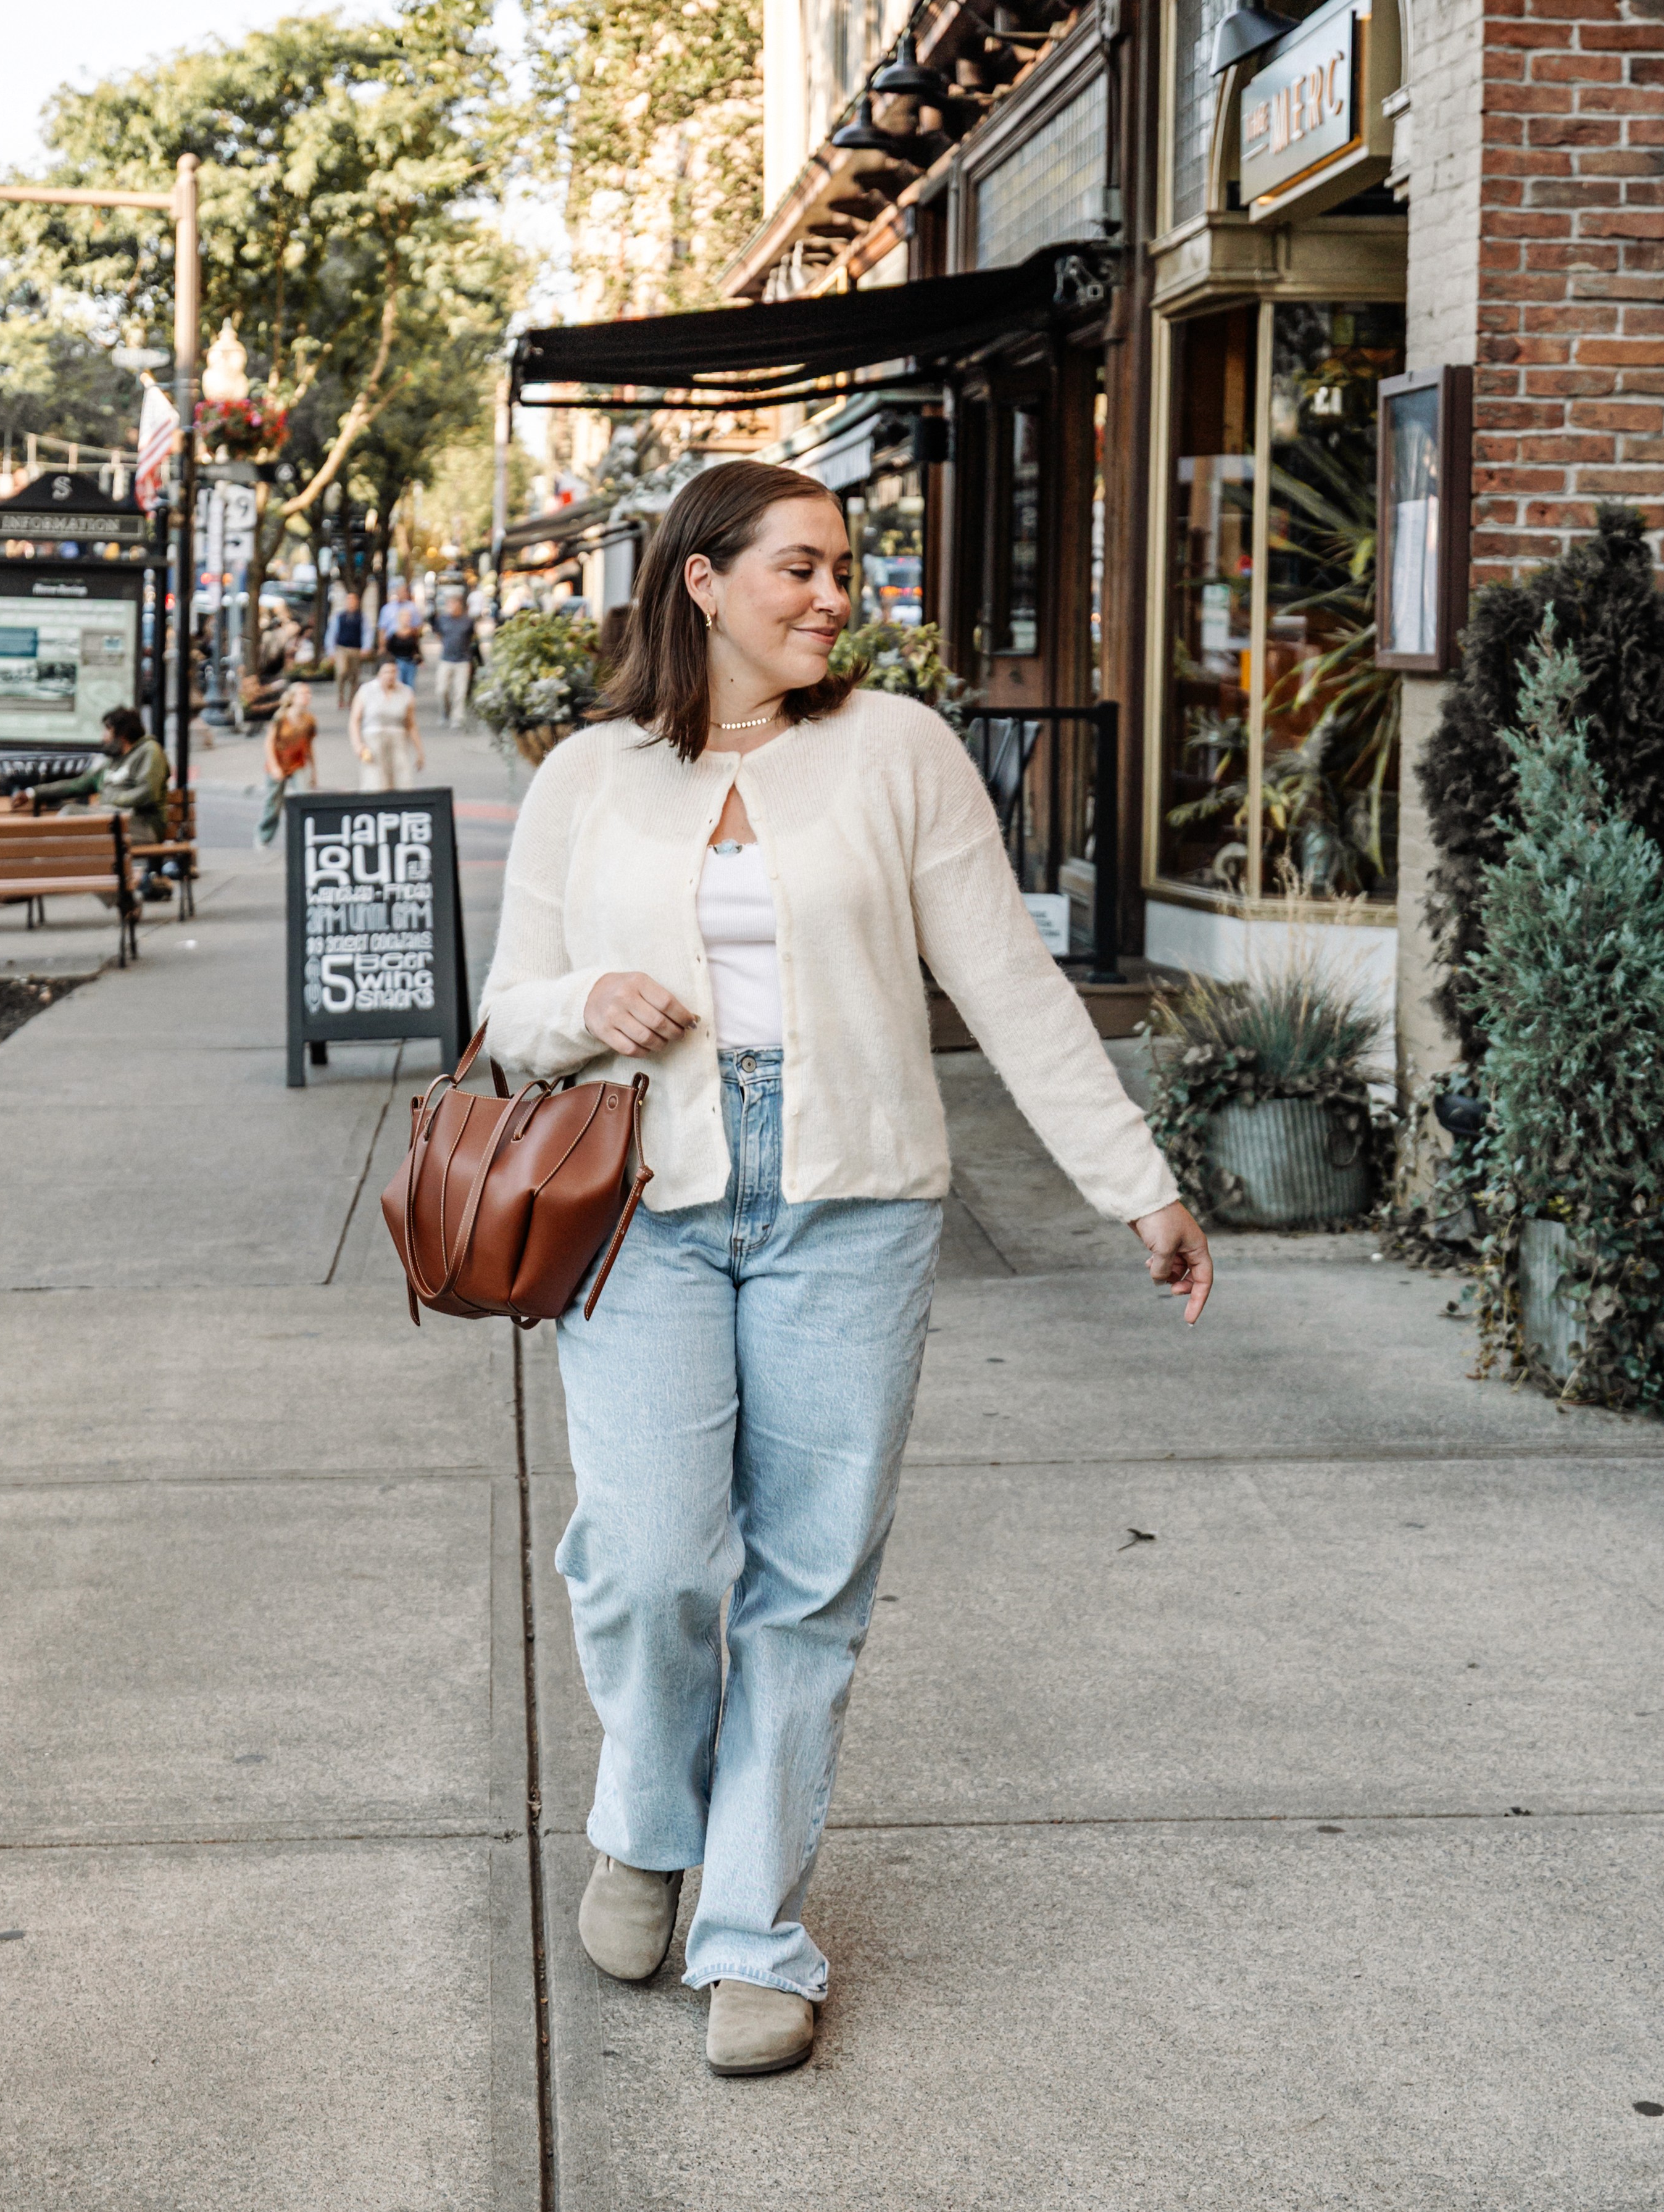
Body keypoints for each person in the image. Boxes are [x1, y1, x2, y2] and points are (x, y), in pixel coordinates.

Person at [480, 461, 1213, 2079]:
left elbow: (1010, 984)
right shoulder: (589, 774)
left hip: (854, 1207)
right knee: (656, 1559)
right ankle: (645, 1821)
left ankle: (751, 1929)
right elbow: (504, 1012)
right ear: (700, 583)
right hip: (642, 1205)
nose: (833, 595)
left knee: (808, 1584)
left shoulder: (899, 753)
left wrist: (1133, 1185)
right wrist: (586, 999)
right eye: (799, 567)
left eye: (844, 567)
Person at [14, 705, 174, 902]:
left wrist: (111, 804)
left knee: (69, 818)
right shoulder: (112, 762)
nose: (103, 737)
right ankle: (126, 898)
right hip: (111, 823)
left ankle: (31, 877)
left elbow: (147, 793)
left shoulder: (150, 751)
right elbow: (78, 785)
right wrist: (33, 793)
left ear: (121, 734)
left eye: (107, 731)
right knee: (77, 844)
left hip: (142, 825)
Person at [255, 681, 319, 846]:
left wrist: (313, 772)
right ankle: (263, 837)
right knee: (273, 803)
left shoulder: (309, 720)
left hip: (297, 763)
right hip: (278, 762)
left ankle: (306, 837)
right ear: (293, 697)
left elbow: (309, 747)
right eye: (303, 694)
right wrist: (275, 767)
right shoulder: (281, 717)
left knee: (304, 798)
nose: (307, 697)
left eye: (309, 694)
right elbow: (269, 743)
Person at [351, 657, 425, 790]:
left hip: (398, 740)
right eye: (386, 672)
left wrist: (419, 751)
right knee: (376, 782)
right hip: (373, 742)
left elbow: (411, 724)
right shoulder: (366, 691)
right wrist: (358, 745)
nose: (390, 676)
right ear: (379, 673)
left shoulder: (406, 692)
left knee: (401, 781)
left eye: (393, 672)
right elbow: (355, 721)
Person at [433, 588, 476, 725]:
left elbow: (473, 638)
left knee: (460, 692)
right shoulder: (442, 620)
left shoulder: (468, 621)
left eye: (454, 603)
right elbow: (439, 635)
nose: (451, 606)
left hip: (463, 660)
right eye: (449, 603)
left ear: (460, 604)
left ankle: (457, 717)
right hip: (446, 659)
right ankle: (445, 713)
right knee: (441, 690)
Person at [327, 593, 365, 710]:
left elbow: (366, 633)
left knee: (354, 675)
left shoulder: (361, 617)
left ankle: (351, 700)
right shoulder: (339, 617)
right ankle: (341, 698)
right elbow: (332, 633)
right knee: (342, 672)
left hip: (355, 649)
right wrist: (331, 650)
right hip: (341, 649)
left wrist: (366, 647)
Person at [382, 587, 426, 687]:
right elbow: (388, 648)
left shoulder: (412, 608)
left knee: (410, 685)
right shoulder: (394, 634)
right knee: (399, 685)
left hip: (410, 662)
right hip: (398, 662)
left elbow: (416, 647)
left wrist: (420, 660)